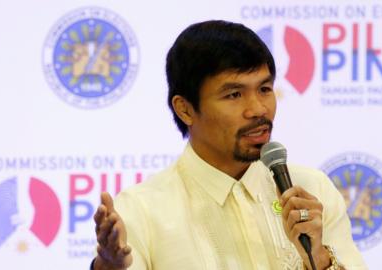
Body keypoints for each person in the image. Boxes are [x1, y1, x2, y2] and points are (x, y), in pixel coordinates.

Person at [91, 20, 367, 270]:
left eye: (264, 89)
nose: (258, 109)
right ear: (185, 109)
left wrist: (318, 258)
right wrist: (108, 267)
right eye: (234, 94)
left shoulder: (311, 190)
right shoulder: (143, 210)